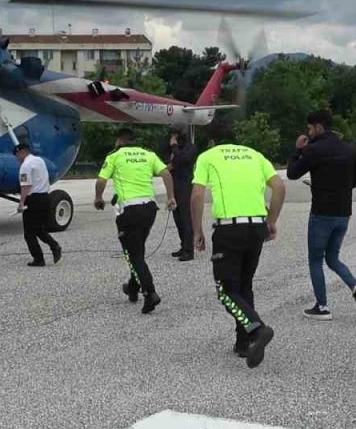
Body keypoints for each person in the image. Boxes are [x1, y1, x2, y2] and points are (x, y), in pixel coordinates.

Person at [192, 134, 286, 369]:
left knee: (226, 291)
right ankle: (244, 343)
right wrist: (272, 220)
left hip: (229, 229)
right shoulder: (255, 156)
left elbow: (197, 194)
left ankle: (256, 328)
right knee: (245, 285)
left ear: (215, 142)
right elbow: (279, 187)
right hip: (256, 227)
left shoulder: (208, 156)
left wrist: (196, 231)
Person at [286, 109, 356, 320]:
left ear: (319, 127)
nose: (308, 131)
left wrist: (298, 150)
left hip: (321, 213)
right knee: (332, 257)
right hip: (344, 214)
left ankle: (322, 307)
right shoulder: (349, 149)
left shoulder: (313, 150)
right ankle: (355, 286)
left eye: (310, 127)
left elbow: (292, 173)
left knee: (315, 259)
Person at [95, 128, 177, 314]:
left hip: (129, 210)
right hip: (149, 208)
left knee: (133, 255)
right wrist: (171, 197)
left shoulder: (115, 155)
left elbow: (101, 180)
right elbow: (166, 174)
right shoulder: (148, 154)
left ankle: (150, 292)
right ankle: (132, 287)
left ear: (121, 140)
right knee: (137, 249)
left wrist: (98, 198)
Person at [15, 143, 62, 267]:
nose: (17, 158)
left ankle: (38, 258)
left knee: (29, 233)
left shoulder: (25, 166)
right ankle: (54, 246)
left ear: (22, 152)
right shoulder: (40, 160)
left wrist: (21, 203)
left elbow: (26, 186)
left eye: (17, 155)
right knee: (39, 229)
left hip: (33, 200)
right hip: (45, 198)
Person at [165, 128, 198, 261]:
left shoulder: (190, 148)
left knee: (185, 218)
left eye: (174, 137)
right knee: (177, 218)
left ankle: (189, 251)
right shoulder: (175, 150)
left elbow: (182, 159)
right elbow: (172, 162)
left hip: (185, 186)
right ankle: (183, 245)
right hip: (174, 186)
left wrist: (173, 146)